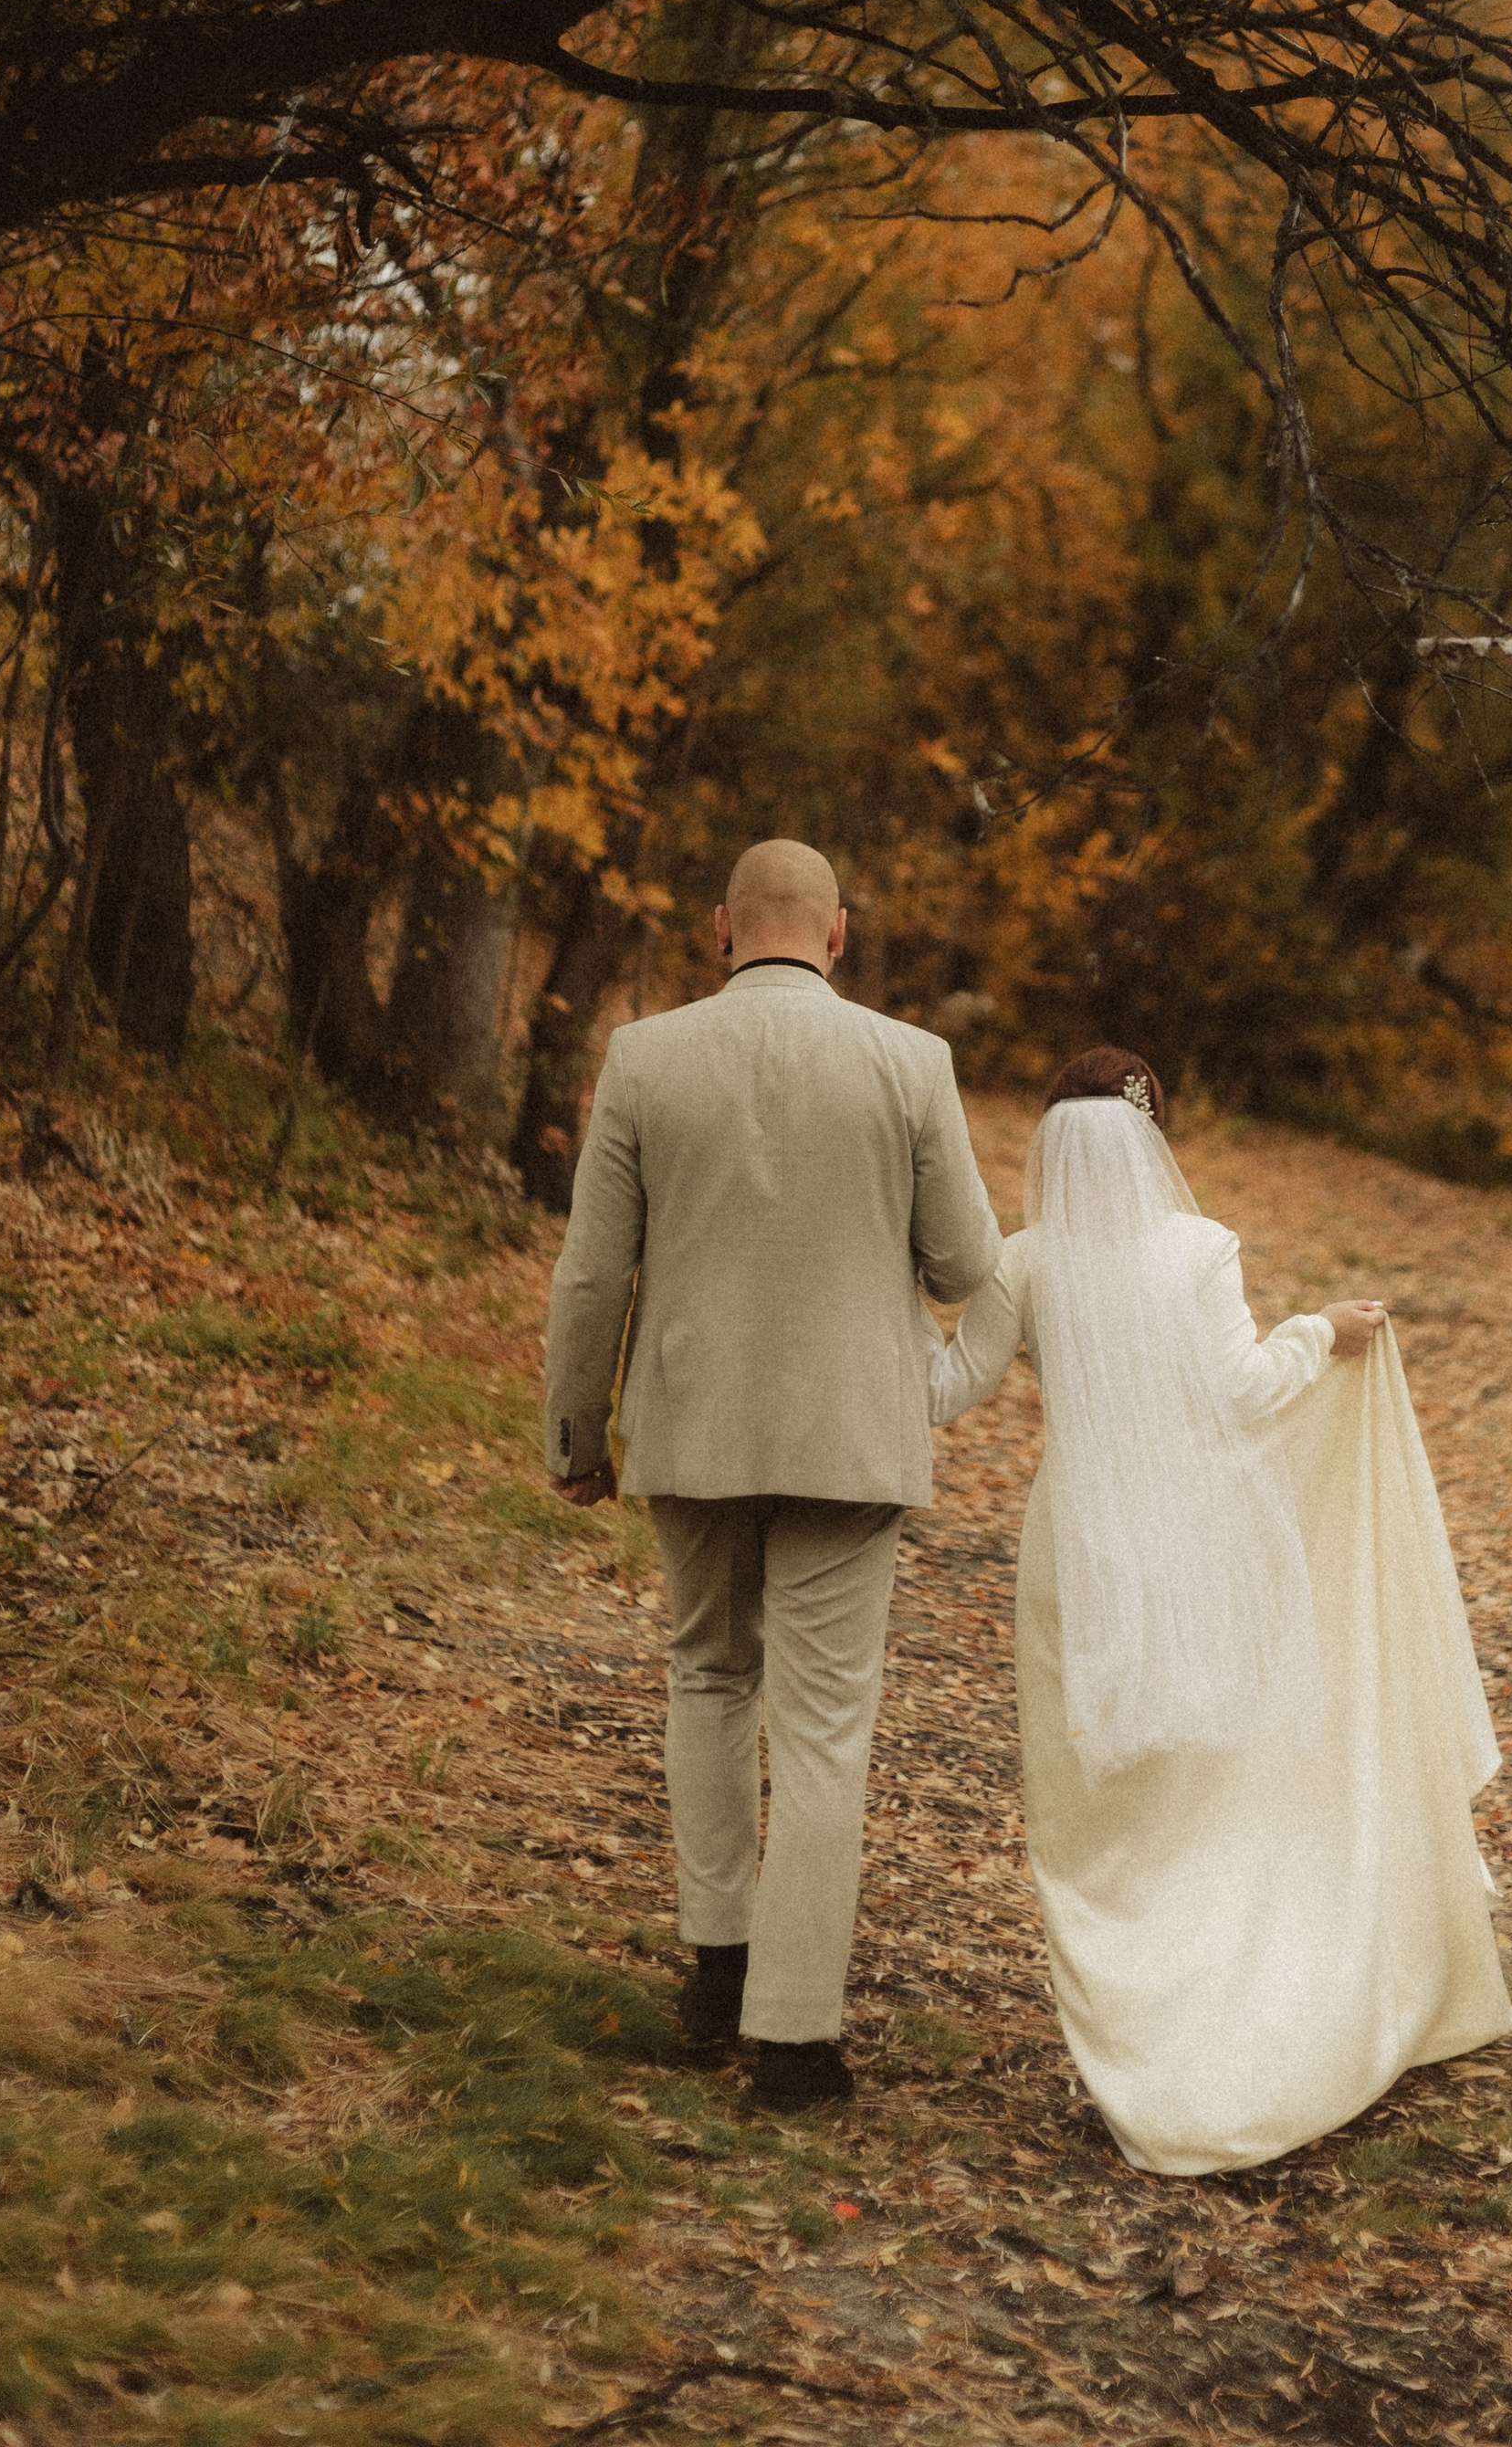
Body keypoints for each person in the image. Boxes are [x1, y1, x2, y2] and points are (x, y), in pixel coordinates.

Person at [928, 1045, 1512, 2174]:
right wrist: (1321, 1333)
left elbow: (951, 1389)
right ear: (1156, 1139)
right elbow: (1241, 1395)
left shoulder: (1021, 1263)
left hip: (1080, 1549)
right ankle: (1241, 2018)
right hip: (1201, 1537)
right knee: (1217, 1788)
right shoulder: (1200, 1252)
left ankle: (1143, 2050)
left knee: (1098, 1801)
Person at [543, 838, 1002, 2109]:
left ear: (720, 928)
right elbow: (964, 1263)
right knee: (822, 1726)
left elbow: (591, 1272)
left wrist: (579, 1433)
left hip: (694, 1426)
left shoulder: (645, 1058)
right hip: (851, 1439)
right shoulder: (912, 1064)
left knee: (707, 1672)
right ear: (839, 934)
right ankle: (795, 2038)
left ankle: (714, 1968)